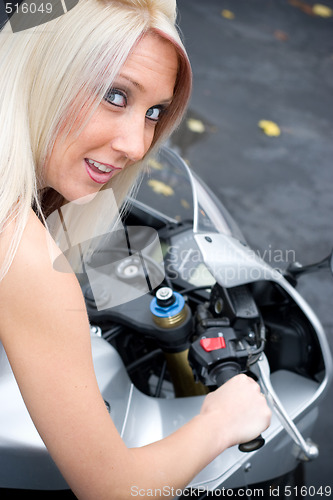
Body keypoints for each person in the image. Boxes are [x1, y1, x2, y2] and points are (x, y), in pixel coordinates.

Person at [0, 1, 271, 498]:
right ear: (43, 71)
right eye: (114, 94)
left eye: (153, 113)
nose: (136, 145)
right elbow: (112, 489)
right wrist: (222, 420)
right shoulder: (21, 253)